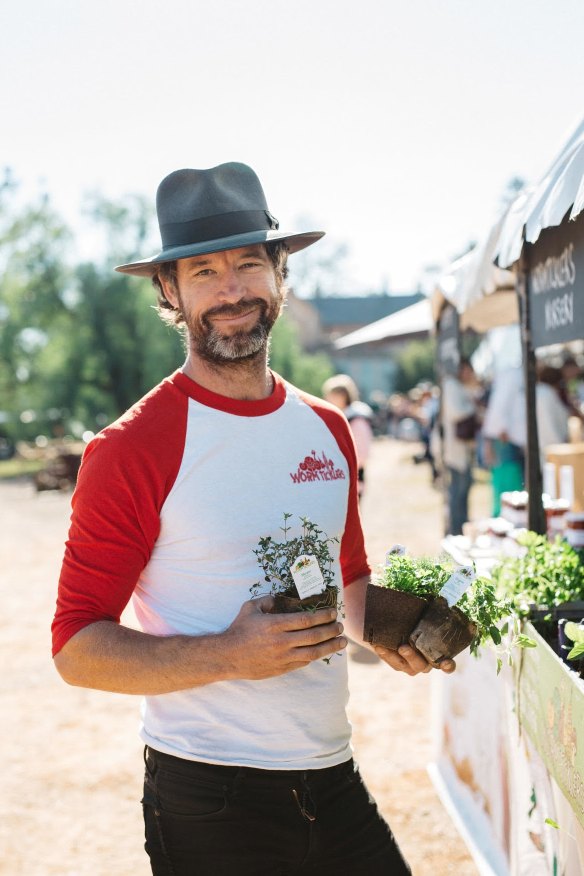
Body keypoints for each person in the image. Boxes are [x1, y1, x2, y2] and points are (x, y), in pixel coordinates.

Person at [51, 162, 455, 876]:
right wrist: (227, 655)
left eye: (248, 263)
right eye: (204, 272)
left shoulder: (327, 427)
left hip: (333, 773)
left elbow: (348, 584)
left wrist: (401, 630)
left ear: (280, 274)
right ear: (169, 291)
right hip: (210, 794)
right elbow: (76, 648)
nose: (232, 290)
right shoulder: (129, 448)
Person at [440, 358, 480, 535]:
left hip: (460, 447)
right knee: (458, 490)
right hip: (455, 448)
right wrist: (474, 409)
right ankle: (457, 529)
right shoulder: (451, 385)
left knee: (462, 488)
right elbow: (457, 412)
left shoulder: (457, 386)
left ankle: (460, 527)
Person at [481, 365, 526, 517]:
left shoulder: (513, 375)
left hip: (509, 441)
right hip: (506, 442)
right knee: (508, 494)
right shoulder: (512, 376)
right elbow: (497, 412)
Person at [322, 373, 374, 499]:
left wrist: (340, 468)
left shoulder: (356, 420)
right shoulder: (341, 417)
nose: (326, 399)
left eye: (331, 395)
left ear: (342, 396)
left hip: (351, 480)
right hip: (338, 479)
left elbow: (362, 454)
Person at [536, 364, 570, 468]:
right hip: (551, 451)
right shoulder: (545, 394)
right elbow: (548, 425)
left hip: (549, 449)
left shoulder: (544, 393)